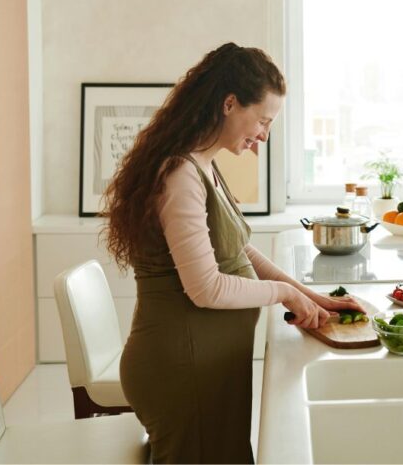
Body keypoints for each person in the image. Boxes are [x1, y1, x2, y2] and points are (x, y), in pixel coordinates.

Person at [104, 43, 363, 464]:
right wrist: (282, 294)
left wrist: (307, 294)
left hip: (204, 364)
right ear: (229, 103)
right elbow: (205, 288)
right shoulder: (180, 175)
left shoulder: (203, 163)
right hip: (182, 370)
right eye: (262, 120)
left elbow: (238, 249)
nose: (264, 134)